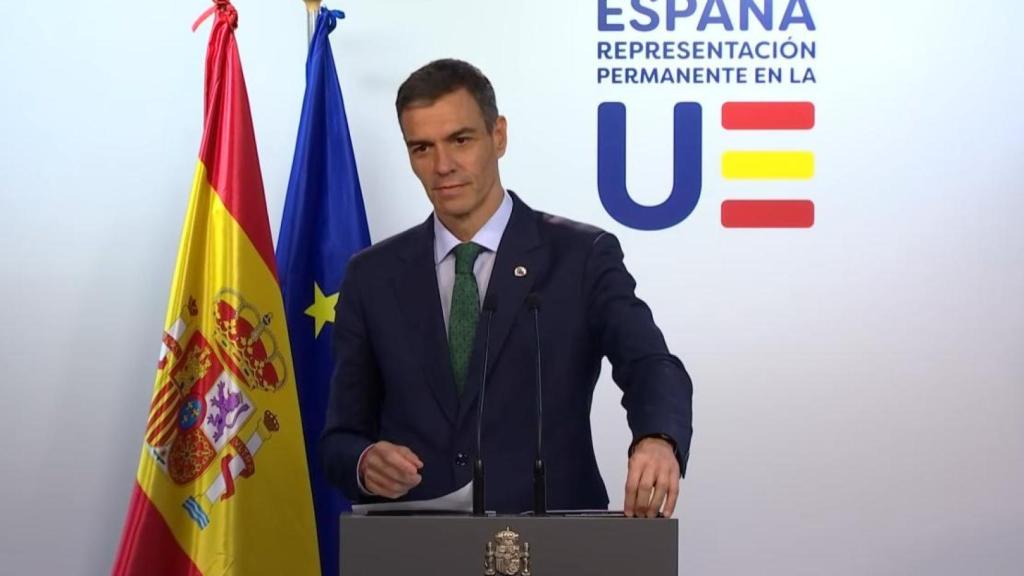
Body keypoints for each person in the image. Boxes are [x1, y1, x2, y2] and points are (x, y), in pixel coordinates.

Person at [321, 59, 692, 518]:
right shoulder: (371, 276)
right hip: (417, 550)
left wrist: (658, 438)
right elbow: (339, 438)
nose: (442, 166)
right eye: (421, 148)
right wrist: (363, 463)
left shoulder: (580, 256)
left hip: (556, 543)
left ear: (498, 136)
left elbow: (651, 364)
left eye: (460, 140)